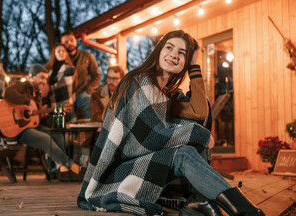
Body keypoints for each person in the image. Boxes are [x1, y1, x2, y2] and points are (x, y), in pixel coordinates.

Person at [77, 30, 264, 216]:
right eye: (169, 47)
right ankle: (244, 211)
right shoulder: (140, 81)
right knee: (184, 151)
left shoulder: (166, 94)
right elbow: (151, 137)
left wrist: (194, 64)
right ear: (158, 51)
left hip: (145, 165)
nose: (174, 54)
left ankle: (201, 201)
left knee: (189, 141)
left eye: (182, 53)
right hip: (116, 174)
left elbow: (200, 112)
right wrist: (201, 135)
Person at [2, 64, 81, 175]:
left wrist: (50, 112)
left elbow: (34, 117)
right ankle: (71, 165)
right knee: (45, 139)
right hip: (18, 129)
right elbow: (7, 93)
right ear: (32, 77)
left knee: (57, 134)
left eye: (46, 79)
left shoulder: (37, 95)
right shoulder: (21, 86)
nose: (44, 82)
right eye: (42, 78)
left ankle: (57, 169)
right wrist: (27, 102)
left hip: (32, 126)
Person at [60, 31, 101, 120]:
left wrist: (87, 91)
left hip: (82, 93)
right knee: (67, 120)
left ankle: (90, 132)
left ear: (75, 40)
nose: (69, 43)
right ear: (61, 44)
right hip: (66, 96)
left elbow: (97, 76)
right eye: (66, 42)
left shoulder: (88, 56)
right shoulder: (59, 59)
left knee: (87, 106)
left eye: (71, 40)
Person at [43, 43, 77, 122]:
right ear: (54, 54)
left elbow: (63, 84)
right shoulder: (49, 70)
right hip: (50, 106)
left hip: (64, 104)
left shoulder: (70, 69)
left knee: (64, 129)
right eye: (58, 51)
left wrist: (47, 86)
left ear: (66, 54)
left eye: (63, 51)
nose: (61, 53)